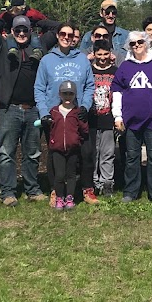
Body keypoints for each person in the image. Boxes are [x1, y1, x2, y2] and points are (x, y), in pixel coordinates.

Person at [0, 14, 47, 207]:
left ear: (30, 32)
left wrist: (33, 17)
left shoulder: (38, 48)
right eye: (17, 29)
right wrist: (9, 14)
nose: (21, 33)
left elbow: (55, 28)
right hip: (10, 109)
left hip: (33, 110)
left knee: (33, 153)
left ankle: (32, 189)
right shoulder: (4, 47)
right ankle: (8, 192)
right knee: (6, 153)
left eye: (25, 30)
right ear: (12, 31)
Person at [36, 23, 96, 204]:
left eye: (70, 35)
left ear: (74, 38)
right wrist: (44, 112)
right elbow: (39, 88)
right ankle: (56, 191)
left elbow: (89, 85)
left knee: (85, 153)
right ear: (57, 35)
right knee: (56, 154)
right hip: (55, 116)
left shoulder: (82, 59)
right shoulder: (47, 60)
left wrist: (85, 106)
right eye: (63, 34)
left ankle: (86, 189)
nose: (66, 37)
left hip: (76, 114)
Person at [111, 31, 152, 202]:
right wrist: (117, 116)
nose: (136, 45)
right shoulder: (125, 66)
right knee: (132, 157)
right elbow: (117, 91)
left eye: (139, 42)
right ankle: (130, 191)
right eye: (132, 43)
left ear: (146, 43)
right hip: (130, 121)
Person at [48, 81, 90, 209]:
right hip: (58, 149)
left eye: (70, 94)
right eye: (65, 93)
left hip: (73, 149)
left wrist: (77, 139)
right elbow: (50, 129)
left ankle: (70, 198)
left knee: (71, 175)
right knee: (59, 175)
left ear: (75, 95)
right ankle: (59, 198)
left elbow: (84, 129)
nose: (67, 97)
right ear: (60, 94)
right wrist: (53, 141)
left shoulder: (77, 112)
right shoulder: (54, 112)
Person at [88, 40, 117, 196]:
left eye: (105, 54)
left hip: (108, 118)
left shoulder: (115, 71)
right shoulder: (88, 70)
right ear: (94, 54)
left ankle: (107, 183)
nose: (102, 57)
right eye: (99, 54)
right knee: (92, 152)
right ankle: (93, 183)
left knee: (107, 153)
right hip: (91, 118)